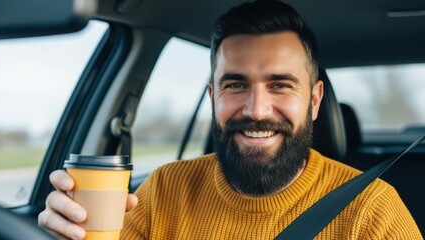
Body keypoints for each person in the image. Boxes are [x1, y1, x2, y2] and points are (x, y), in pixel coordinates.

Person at [38, 1, 422, 239]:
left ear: (315, 100)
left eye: (280, 85)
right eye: (236, 85)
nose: (256, 110)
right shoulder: (163, 191)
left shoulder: (371, 211)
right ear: (212, 97)